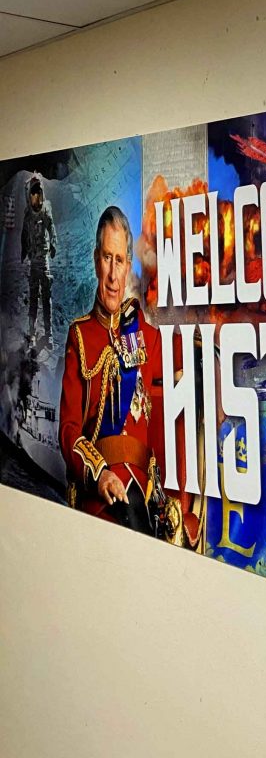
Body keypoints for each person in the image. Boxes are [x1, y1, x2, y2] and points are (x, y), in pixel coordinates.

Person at [58, 206, 167, 535]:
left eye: (120, 261)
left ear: (129, 264)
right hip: (101, 493)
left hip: (144, 493)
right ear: (95, 260)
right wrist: (99, 472)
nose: (113, 275)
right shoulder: (80, 336)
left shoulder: (148, 338)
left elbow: (159, 425)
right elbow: (68, 430)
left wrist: (168, 495)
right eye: (107, 258)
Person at [21, 175, 57, 347]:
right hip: (33, 262)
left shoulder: (46, 210)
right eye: (33, 196)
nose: (36, 199)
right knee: (34, 299)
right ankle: (32, 334)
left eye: (38, 195)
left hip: (43, 261)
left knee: (46, 298)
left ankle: (49, 334)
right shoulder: (28, 214)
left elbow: (52, 228)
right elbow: (23, 233)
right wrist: (23, 249)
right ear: (30, 197)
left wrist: (54, 245)